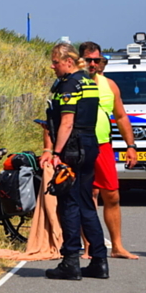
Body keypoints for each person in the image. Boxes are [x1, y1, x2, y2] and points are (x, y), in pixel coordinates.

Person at [39, 43, 108, 280]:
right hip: (89, 143)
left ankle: (70, 262)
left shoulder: (69, 84)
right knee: (86, 202)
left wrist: (56, 153)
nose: (53, 66)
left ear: (68, 61)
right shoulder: (89, 81)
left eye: (55, 62)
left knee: (68, 202)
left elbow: (67, 121)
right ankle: (99, 261)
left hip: (72, 147)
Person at [78, 41, 139, 259]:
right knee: (88, 194)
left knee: (111, 195)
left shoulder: (109, 85)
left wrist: (130, 146)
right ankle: (88, 247)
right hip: (80, 146)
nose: (93, 64)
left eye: (97, 60)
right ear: (80, 60)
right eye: (88, 60)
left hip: (104, 146)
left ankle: (117, 246)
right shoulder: (73, 84)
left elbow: (121, 116)